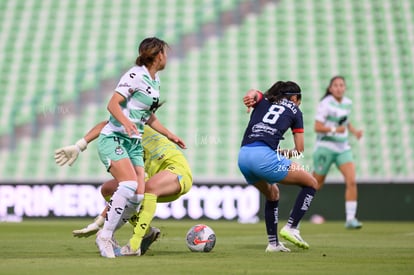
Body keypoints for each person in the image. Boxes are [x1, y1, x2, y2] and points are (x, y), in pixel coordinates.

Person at [86, 37, 184, 258]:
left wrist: (170, 135)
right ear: (158, 55)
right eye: (165, 53)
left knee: (138, 196)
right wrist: (127, 122)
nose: (166, 57)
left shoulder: (155, 80)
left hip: (134, 143)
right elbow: (112, 104)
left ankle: (108, 233)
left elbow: (148, 116)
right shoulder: (135, 74)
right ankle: (105, 235)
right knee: (129, 184)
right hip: (115, 138)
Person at [55, 122, 193, 256]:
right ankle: (147, 234)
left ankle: (134, 244)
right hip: (154, 180)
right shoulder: (129, 154)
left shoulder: (133, 127)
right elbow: (123, 193)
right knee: (109, 189)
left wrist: (80, 145)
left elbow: (104, 124)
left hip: (178, 173)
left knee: (150, 188)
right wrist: (98, 222)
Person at [238, 81, 318, 251]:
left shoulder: (265, 100)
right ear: (295, 98)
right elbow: (299, 150)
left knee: (272, 193)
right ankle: (291, 227)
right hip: (265, 158)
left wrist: (250, 96)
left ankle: (273, 244)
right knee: (311, 183)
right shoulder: (296, 110)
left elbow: (253, 92)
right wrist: (282, 153)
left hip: (243, 157)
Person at [312, 76, 363, 229]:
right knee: (315, 184)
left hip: (342, 147)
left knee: (351, 180)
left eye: (342, 85)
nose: (339, 88)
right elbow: (317, 127)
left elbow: (345, 121)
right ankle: (297, 215)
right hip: (325, 147)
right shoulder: (325, 104)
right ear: (330, 88)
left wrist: (354, 132)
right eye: (336, 85)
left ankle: (350, 219)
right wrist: (335, 130)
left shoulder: (348, 103)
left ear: (345, 88)